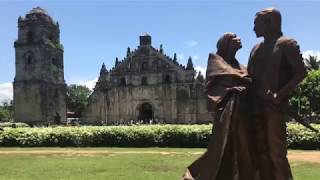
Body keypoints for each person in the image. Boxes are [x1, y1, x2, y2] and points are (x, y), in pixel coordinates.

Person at [181, 32, 254, 180]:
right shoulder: (215, 63)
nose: (239, 39)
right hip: (226, 116)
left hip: (243, 115)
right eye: (234, 37)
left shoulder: (241, 66)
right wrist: (232, 90)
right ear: (226, 43)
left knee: (244, 150)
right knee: (222, 148)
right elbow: (212, 89)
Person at [247, 8, 307, 180]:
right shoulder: (255, 49)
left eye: (256, 23)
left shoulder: (287, 44)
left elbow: (300, 73)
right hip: (255, 107)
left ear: (270, 23)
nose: (253, 28)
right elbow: (249, 77)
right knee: (258, 152)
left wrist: (279, 95)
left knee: (276, 153)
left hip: (273, 108)